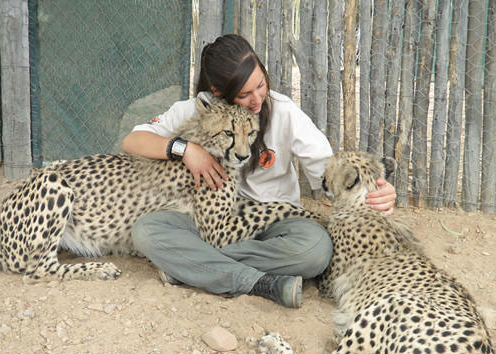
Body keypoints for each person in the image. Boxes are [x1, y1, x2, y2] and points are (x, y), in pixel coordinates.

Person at [122, 34, 396, 308]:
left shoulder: (284, 112)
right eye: (244, 94)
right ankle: (254, 281)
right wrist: (187, 150)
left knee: (315, 250)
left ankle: (195, 266)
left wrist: (375, 189)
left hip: (275, 222)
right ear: (219, 92)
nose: (257, 99)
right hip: (208, 221)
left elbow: (330, 171)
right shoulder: (201, 110)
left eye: (261, 85)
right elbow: (133, 141)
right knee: (146, 231)